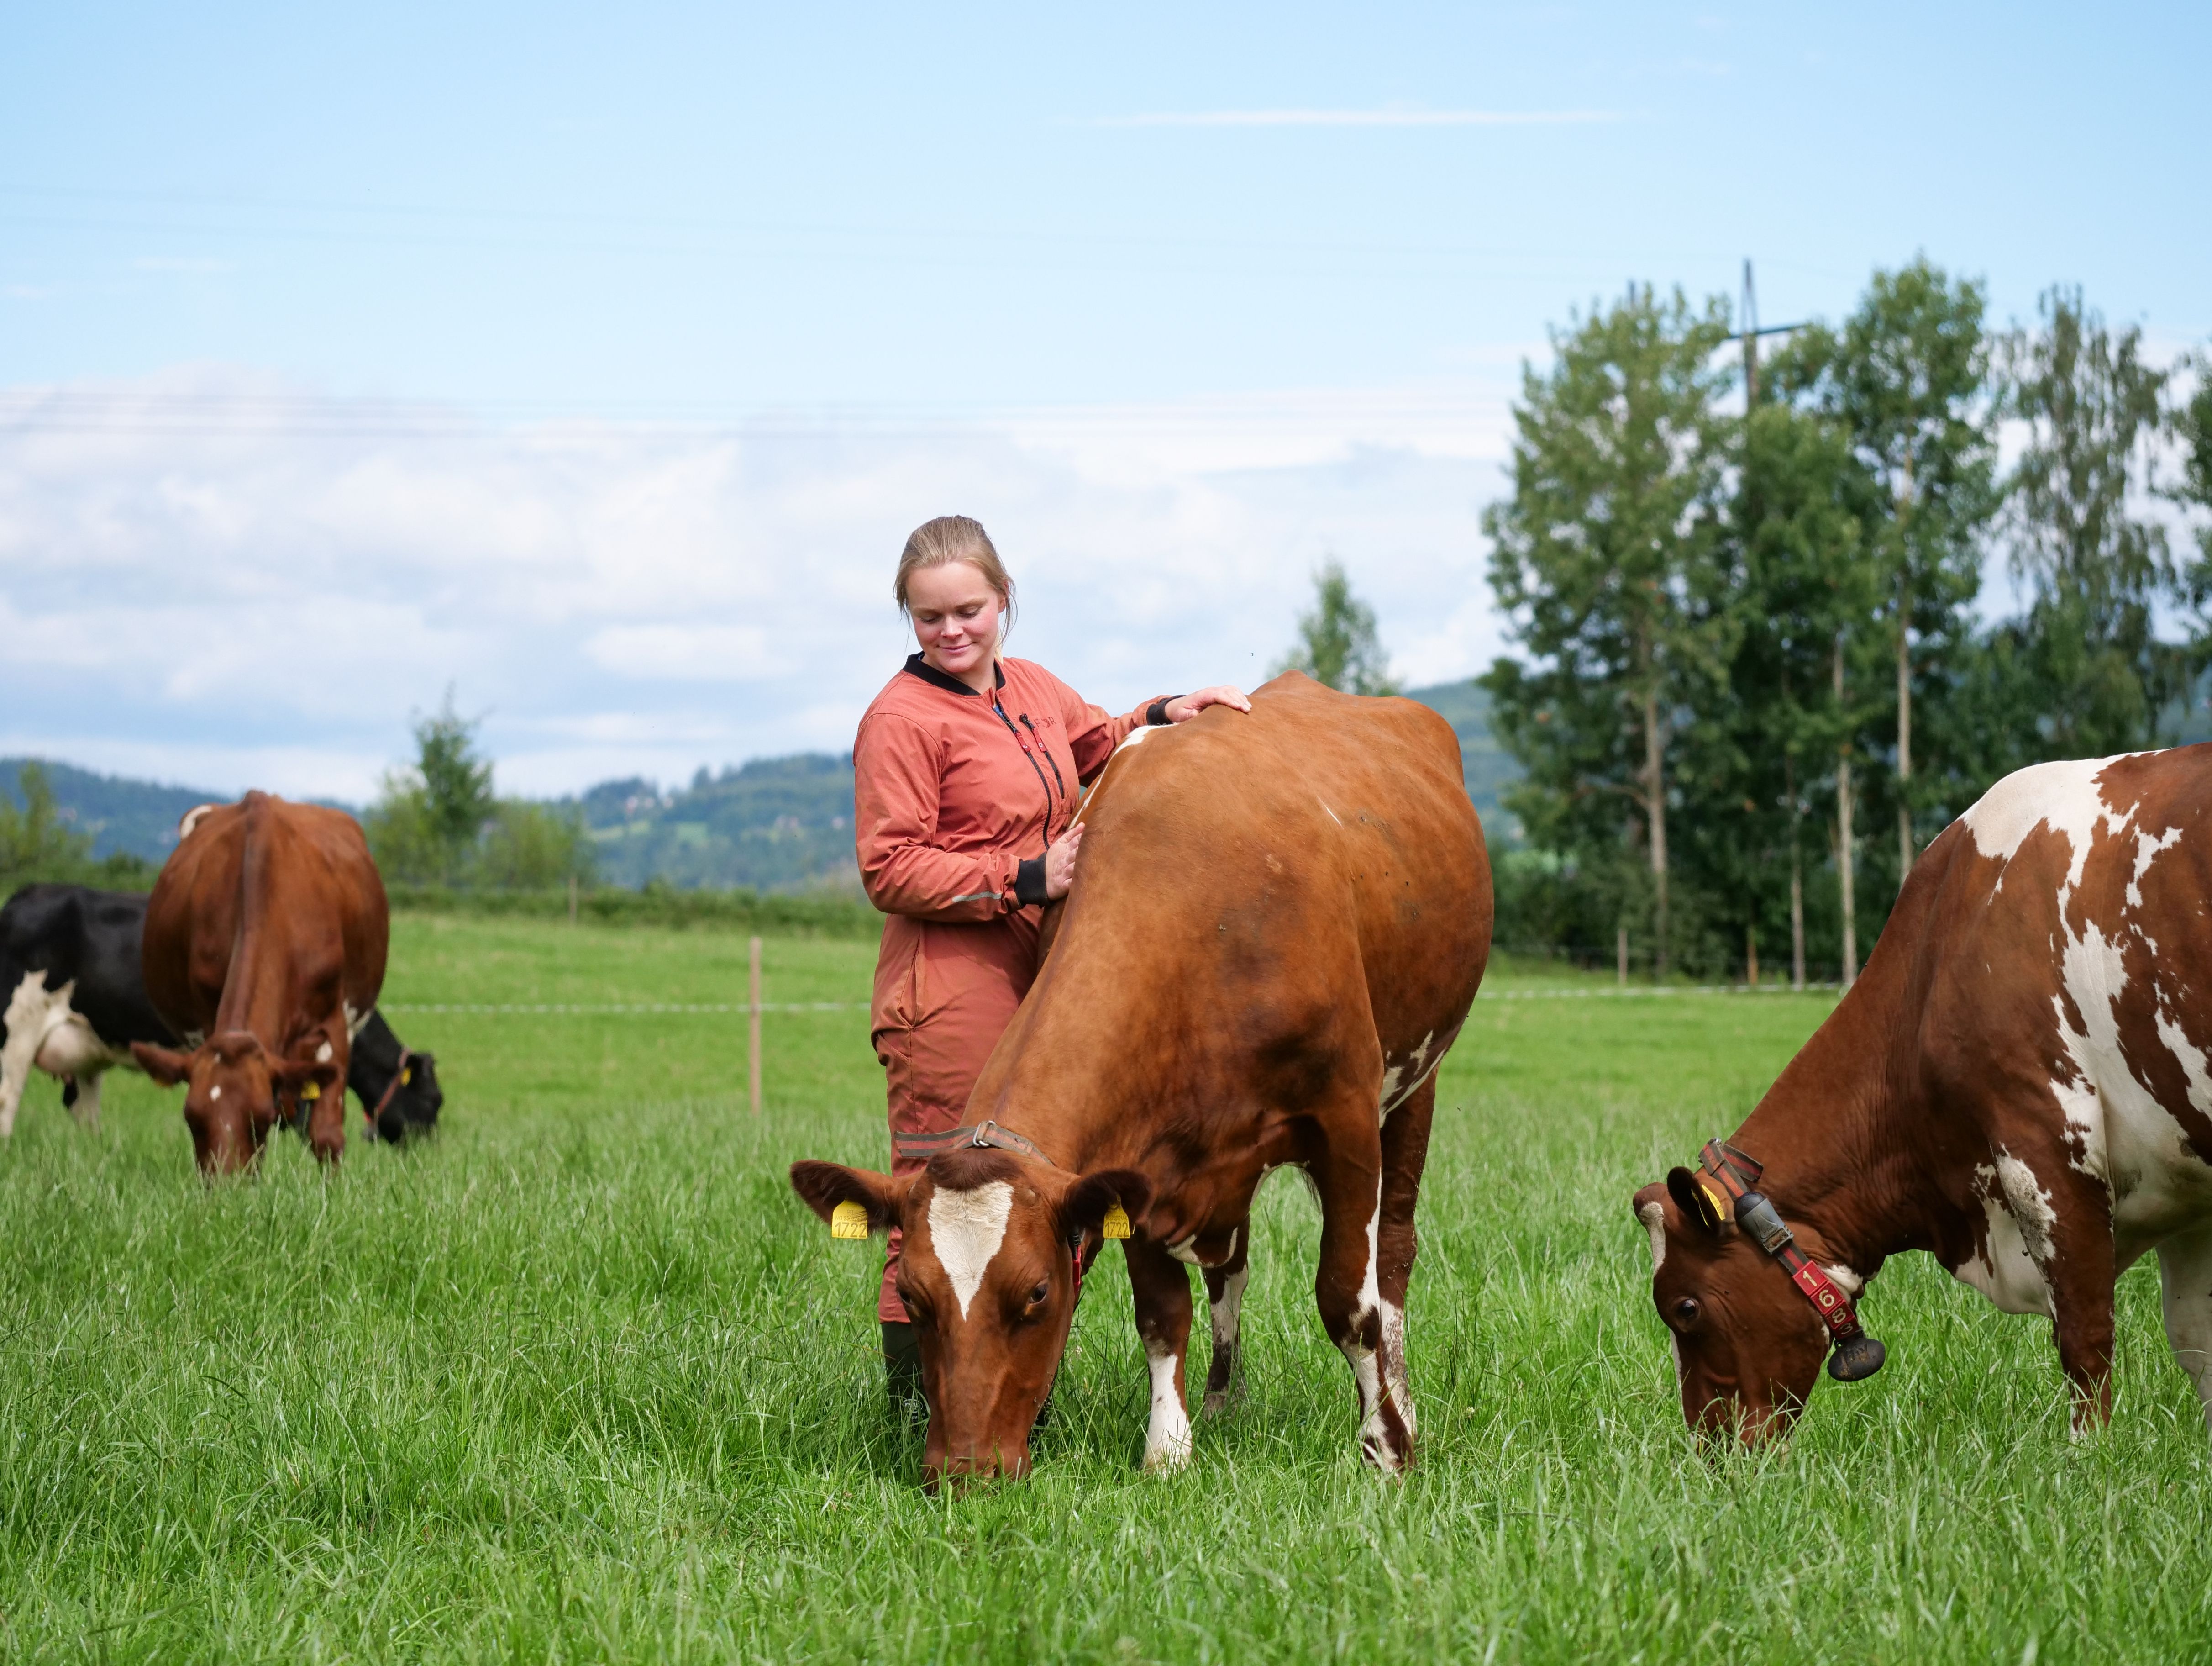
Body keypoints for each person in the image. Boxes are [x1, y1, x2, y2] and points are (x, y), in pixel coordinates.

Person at [853, 514, 1251, 1412]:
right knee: (940, 1203)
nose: (951, 632)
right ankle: (914, 1411)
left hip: (1038, 975)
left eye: (968, 611)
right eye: (929, 619)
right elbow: (888, 867)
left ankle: (1011, 1393)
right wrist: (1025, 874)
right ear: (908, 620)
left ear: (1003, 602)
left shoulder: (1027, 686)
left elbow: (1087, 743)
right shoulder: (900, 720)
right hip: (948, 988)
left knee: (1026, 1201)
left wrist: (1162, 713)